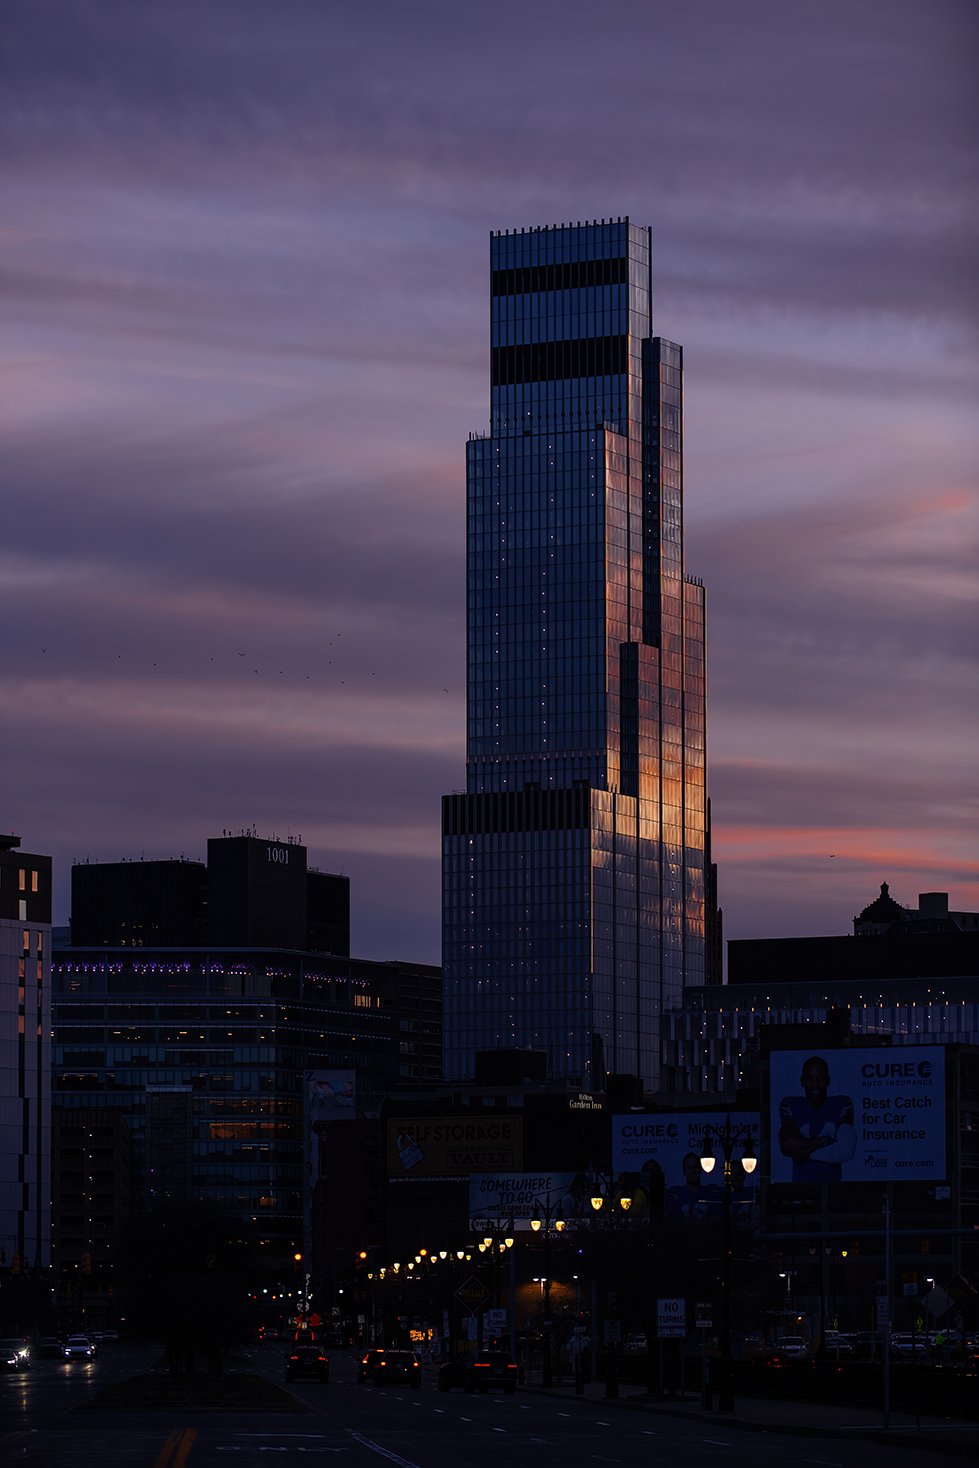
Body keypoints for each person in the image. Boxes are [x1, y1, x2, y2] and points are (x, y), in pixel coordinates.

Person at [778, 1055, 856, 1182]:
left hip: (832, 1186)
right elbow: (787, 1146)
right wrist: (825, 1141)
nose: (815, 1084)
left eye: (821, 1078)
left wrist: (802, 1150)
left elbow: (846, 1150)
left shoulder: (841, 1104)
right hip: (801, 1185)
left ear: (828, 1080)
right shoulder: (791, 1104)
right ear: (802, 1081)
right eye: (810, 1078)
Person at [665, 1151, 722, 1219]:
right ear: (684, 1171)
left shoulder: (711, 1192)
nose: (693, 1171)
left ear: (701, 1169)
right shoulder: (677, 1194)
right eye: (689, 1168)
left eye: (695, 1167)